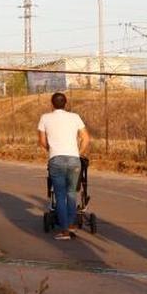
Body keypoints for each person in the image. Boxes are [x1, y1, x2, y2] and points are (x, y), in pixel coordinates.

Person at [37, 91, 89, 240]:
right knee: (71, 193)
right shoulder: (75, 117)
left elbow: (42, 141)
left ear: (51, 104)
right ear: (66, 103)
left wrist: (51, 149)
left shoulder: (45, 118)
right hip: (74, 159)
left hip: (56, 159)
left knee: (59, 195)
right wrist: (79, 152)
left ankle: (65, 230)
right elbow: (86, 138)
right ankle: (72, 226)